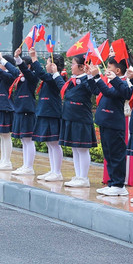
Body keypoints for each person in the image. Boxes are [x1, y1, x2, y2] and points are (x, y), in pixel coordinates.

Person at [50, 54, 97, 188]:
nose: (70, 67)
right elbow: (64, 89)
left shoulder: (87, 80)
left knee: (82, 149)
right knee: (75, 148)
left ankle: (84, 178)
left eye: (73, 64)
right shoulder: (72, 80)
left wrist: (90, 75)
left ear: (82, 67)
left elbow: (93, 90)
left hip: (81, 119)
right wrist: (55, 74)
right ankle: (78, 175)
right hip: (70, 117)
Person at [88, 57, 132, 197]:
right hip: (105, 121)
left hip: (114, 123)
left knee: (116, 155)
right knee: (108, 154)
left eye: (109, 67)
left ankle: (119, 185)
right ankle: (112, 183)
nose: (106, 70)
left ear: (118, 70)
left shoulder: (123, 83)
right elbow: (96, 90)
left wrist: (97, 76)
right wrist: (91, 76)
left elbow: (110, 93)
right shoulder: (112, 82)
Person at [29, 49, 65, 181]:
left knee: (54, 143)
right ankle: (52, 170)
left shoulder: (58, 77)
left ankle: (57, 172)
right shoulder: (50, 77)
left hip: (52, 113)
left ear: (54, 65)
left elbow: (41, 74)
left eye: (48, 62)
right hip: (45, 111)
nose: (46, 65)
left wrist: (34, 58)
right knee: (50, 143)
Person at [9, 50, 40, 176]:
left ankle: (29, 166)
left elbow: (25, 71)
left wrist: (17, 58)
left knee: (28, 140)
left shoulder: (32, 77)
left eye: (22, 65)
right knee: (23, 140)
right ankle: (25, 165)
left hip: (27, 110)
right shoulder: (19, 76)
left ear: (28, 66)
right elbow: (10, 68)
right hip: (20, 109)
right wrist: (1, 58)